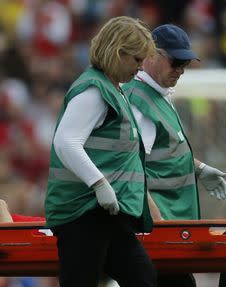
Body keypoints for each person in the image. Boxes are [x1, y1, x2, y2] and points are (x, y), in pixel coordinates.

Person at [45, 16, 157, 287]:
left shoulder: (111, 88)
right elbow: (65, 142)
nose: (140, 67)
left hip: (105, 213)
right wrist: (99, 183)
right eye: (136, 59)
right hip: (85, 213)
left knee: (143, 278)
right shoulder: (94, 91)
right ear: (118, 53)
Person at [122, 24, 226, 287]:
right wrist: (157, 226)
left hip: (169, 233)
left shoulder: (157, 95)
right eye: (176, 62)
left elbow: (161, 153)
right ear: (151, 54)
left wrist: (199, 167)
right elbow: (129, 169)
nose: (181, 70)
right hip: (159, 235)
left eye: (186, 63)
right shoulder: (139, 101)